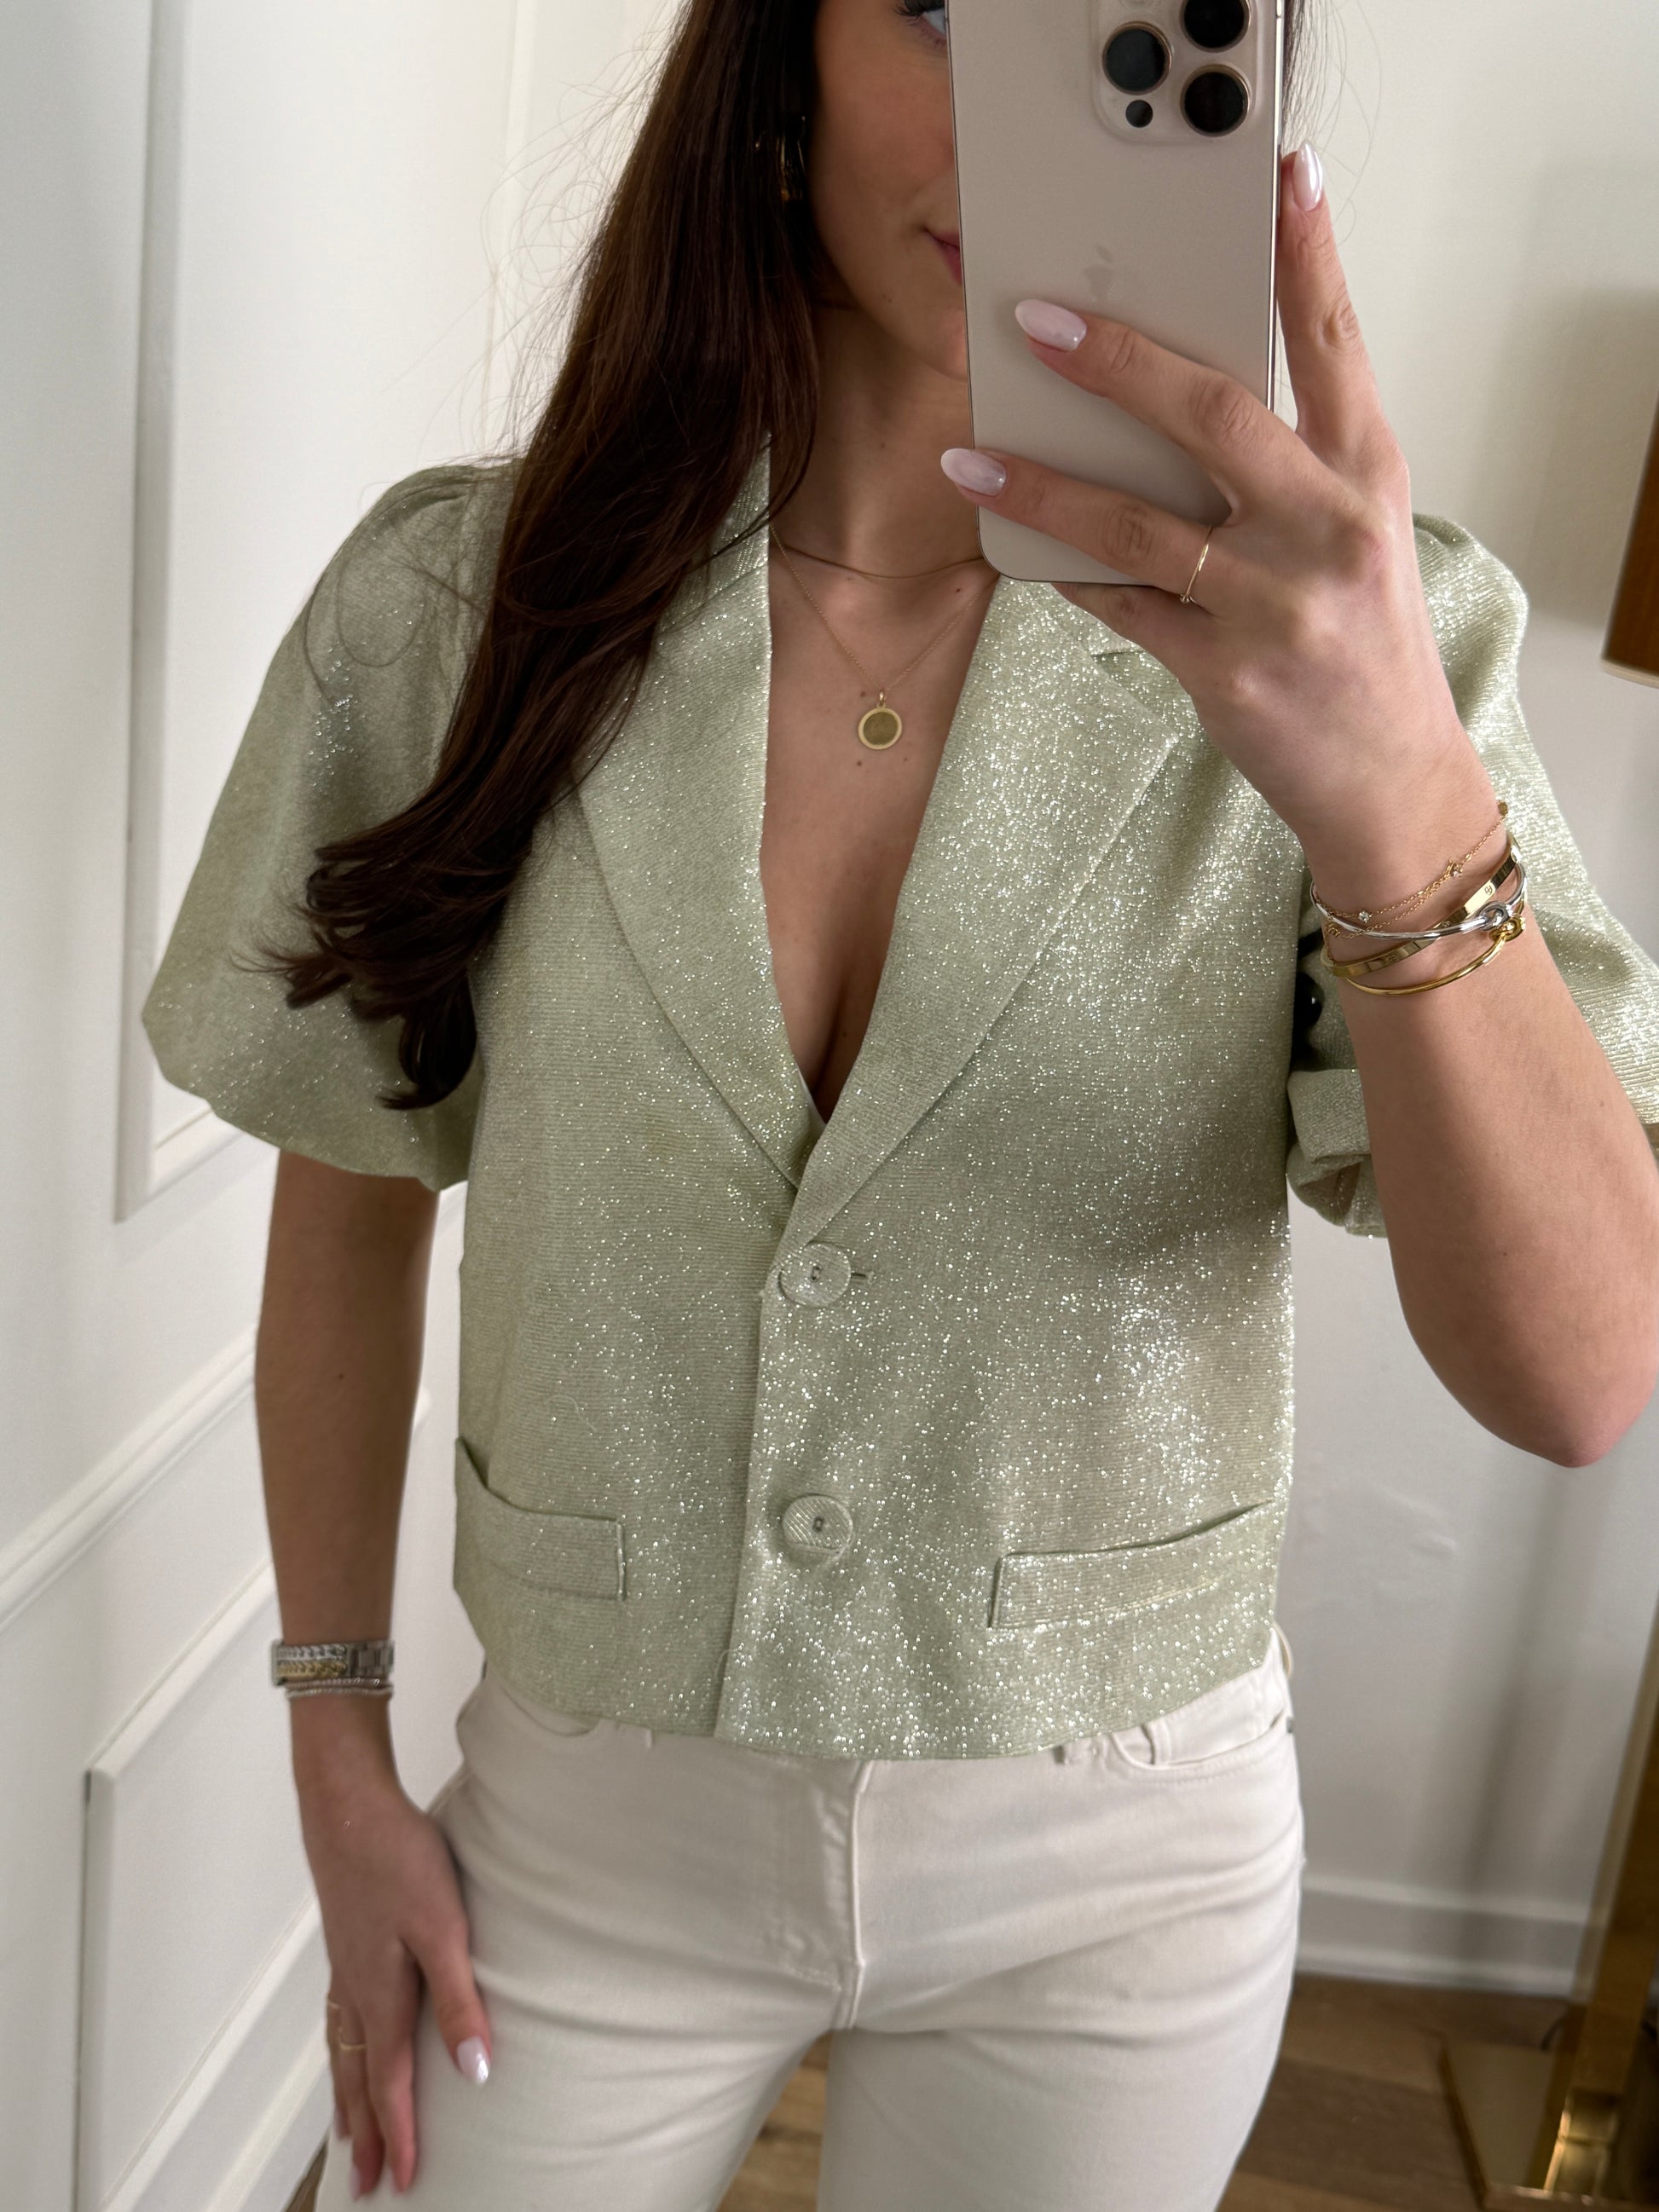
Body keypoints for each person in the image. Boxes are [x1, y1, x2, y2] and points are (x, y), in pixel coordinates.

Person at [142, 0, 1659, 2205]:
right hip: (586, 1823)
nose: (1018, 119)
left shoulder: (1373, 649)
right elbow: (350, 1203)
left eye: (1118, 13)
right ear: (780, 58)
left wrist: (1401, 795)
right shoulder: (457, 607)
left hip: (1114, 1874)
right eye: (942, 8)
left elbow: (1582, 1376)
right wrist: (335, 1750)